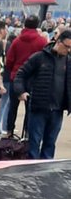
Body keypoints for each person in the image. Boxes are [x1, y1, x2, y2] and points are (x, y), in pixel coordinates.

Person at [13, 28, 71, 160]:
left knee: (50, 144)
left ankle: (45, 173)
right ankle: (32, 173)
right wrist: (21, 91)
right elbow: (21, 74)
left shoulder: (68, 61)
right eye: (66, 46)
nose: (68, 50)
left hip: (57, 110)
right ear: (58, 41)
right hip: (38, 107)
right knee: (34, 144)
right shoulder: (39, 57)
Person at [3, 15, 44, 138]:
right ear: (37, 25)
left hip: (16, 76)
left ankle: (9, 131)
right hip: (34, 78)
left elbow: (9, 61)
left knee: (12, 107)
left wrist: (13, 70)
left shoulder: (17, 41)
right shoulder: (42, 41)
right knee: (30, 108)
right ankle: (27, 132)